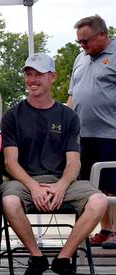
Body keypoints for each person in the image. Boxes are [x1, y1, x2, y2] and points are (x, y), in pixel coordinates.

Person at [0, 53, 108, 275]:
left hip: (63, 181)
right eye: (28, 74)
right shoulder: (12, 115)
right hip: (23, 181)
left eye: (38, 74)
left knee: (99, 201)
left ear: (53, 77)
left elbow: (74, 161)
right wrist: (33, 186)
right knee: (9, 201)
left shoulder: (68, 116)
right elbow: (10, 162)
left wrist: (61, 186)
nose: (32, 80)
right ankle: (37, 258)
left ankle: (63, 259)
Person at [67, 15, 116, 249]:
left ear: (103, 35)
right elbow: (72, 94)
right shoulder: (80, 58)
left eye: (86, 41)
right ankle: (106, 230)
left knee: (113, 185)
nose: (83, 46)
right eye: (79, 42)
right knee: (93, 187)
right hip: (82, 135)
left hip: (111, 133)